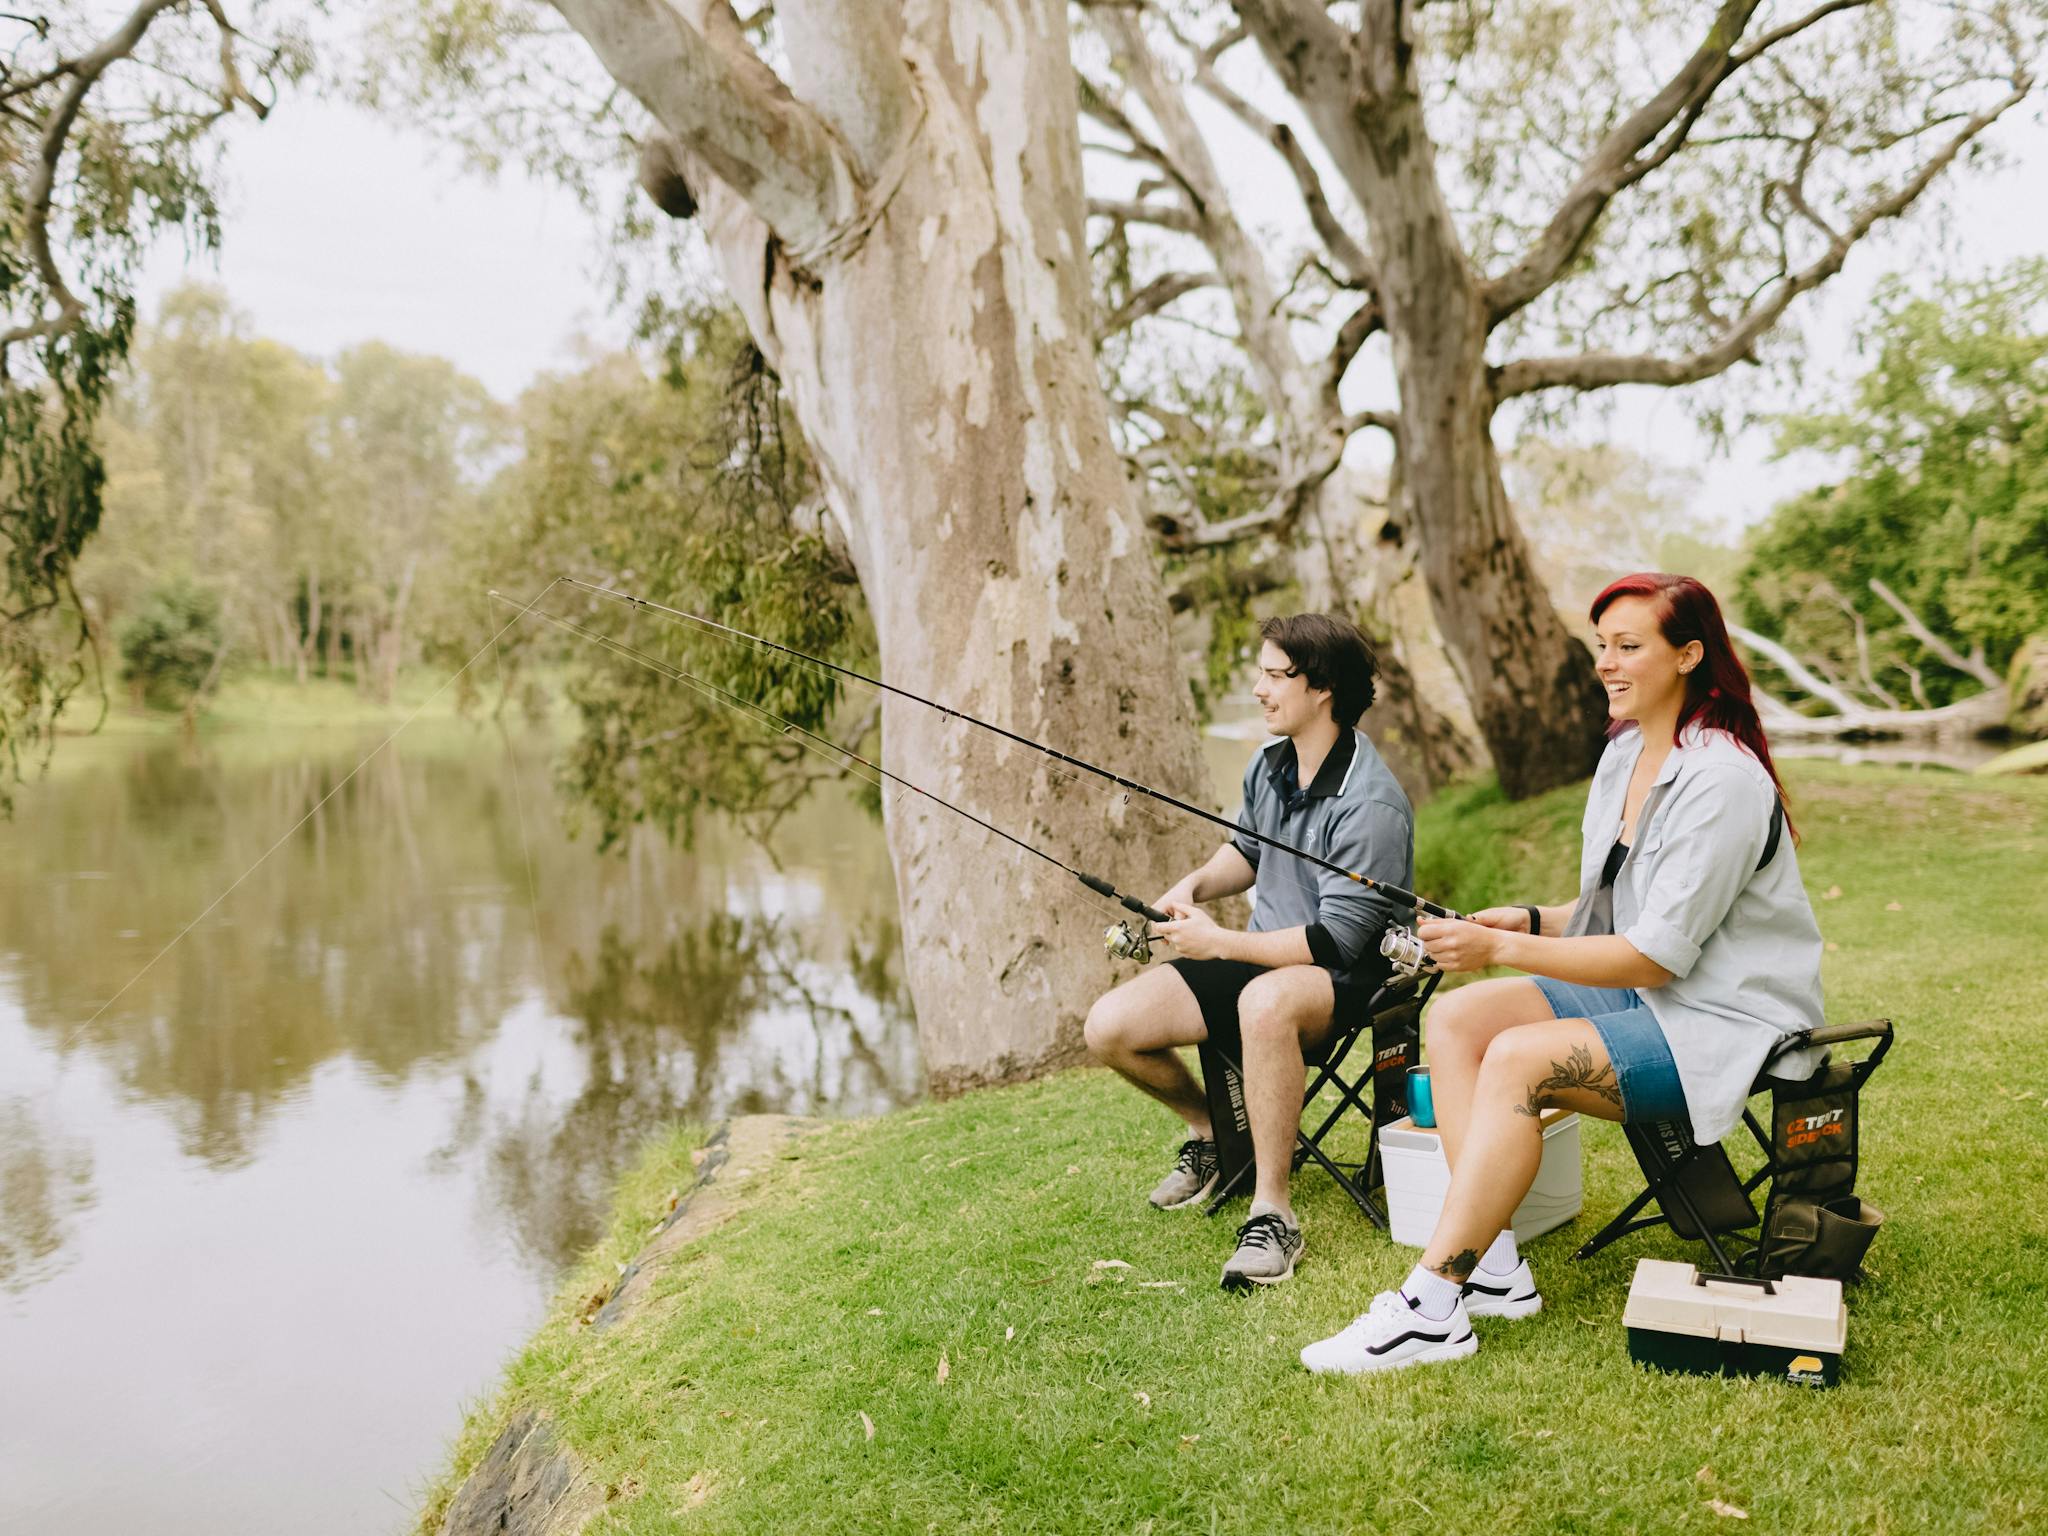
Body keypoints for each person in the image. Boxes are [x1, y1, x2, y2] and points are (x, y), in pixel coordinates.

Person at [1298, 572, 1827, 1374]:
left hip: (1722, 1022)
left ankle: (1433, 1303)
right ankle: (1497, 1269)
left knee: (1517, 1056)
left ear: (1688, 655)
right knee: (1456, 1020)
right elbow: (1617, 908)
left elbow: (1654, 953)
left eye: (1629, 647)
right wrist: (1530, 921)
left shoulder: (1721, 782)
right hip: (1646, 995)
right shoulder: (1625, 754)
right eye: (1600, 648)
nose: (1606, 665)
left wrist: (1498, 951)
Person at [1083, 614, 1414, 1291]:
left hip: (1345, 976)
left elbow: (1336, 940)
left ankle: (1274, 1211)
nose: (1259, 689)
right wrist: (1194, 885)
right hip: (1262, 957)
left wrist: (1219, 941)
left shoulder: (1370, 804)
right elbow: (1248, 850)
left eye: (1273, 674)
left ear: (1321, 688)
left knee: (1263, 1003)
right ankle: (1215, 1137)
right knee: (1109, 1028)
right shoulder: (1272, 765)